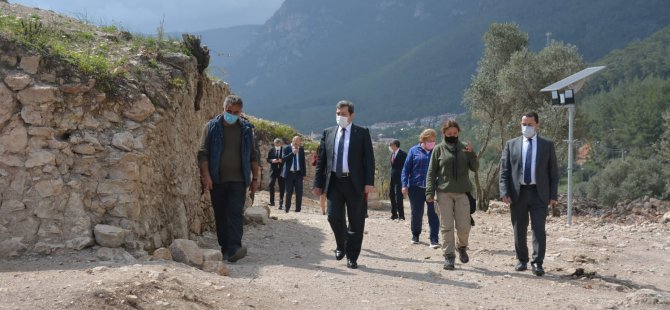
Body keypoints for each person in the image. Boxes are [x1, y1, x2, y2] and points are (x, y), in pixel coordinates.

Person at [313, 100, 375, 269]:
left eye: (344, 114)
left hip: (354, 183)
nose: (340, 117)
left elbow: (369, 160)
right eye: (338, 114)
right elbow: (321, 161)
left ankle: (352, 257)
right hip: (334, 182)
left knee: (356, 221)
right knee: (333, 216)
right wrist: (318, 183)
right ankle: (342, 244)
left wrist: (369, 182)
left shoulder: (362, 133)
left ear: (352, 115)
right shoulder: (328, 133)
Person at [197, 95, 259, 263]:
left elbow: (254, 155)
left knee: (235, 213)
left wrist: (255, 179)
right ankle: (225, 248)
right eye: (228, 111)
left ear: (241, 112)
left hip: (239, 180)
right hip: (217, 180)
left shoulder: (246, 129)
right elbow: (203, 153)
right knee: (221, 215)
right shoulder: (211, 127)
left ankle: (234, 248)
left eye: (236, 112)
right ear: (223, 109)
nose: (231, 114)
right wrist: (207, 176)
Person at [499, 112, 558, 276]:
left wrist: (553, 195)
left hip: (539, 194)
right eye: (524, 124)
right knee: (519, 228)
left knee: (539, 229)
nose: (526, 127)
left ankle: (538, 263)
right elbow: (504, 170)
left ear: (537, 125)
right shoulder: (511, 144)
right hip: (518, 194)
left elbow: (553, 172)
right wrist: (504, 191)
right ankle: (521, 260)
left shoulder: (547, 145)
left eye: (530, 124)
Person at [425, 120, 479, 270]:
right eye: (449, 134)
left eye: (455, 133)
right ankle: (449, 256)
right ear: (444, 134)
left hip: (462, 193)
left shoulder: (465, 148)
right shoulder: (438, 149)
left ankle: (461, 247)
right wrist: (429, 191)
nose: (452, 136)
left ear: (458, 133)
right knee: (446, 226)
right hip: (443, 193)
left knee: (464, 226)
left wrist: (472, 154)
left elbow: (475, 168)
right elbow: (431, 172)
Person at [401, 129, 440, 249]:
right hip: (415, 187)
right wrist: (404, 185)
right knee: (417, 213)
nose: (432, 143)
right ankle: (415, 235)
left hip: (432, 188)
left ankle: (434, 239)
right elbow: (406, 169)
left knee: (433, 213)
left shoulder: (437, 151)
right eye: (429, 140)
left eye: (434, 140)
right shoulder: (413, 151)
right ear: (423, 140)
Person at [282, 135, 306, 213]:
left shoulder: (301, 149)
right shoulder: (287, 148)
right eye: (297, 142)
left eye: (299, 142)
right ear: (293, 141)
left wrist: (304, 174)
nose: (298, 143)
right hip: (289, 174)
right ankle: (287, 209)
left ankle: (298, 209)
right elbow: (283, 159)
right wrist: (293, 153)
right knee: (289, 192)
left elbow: (303, 162)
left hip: (298, 173)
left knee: (299, 192)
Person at [388, 140, 407, 220]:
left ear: (395, 145)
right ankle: (394, 214)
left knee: (398, 197)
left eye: (391, 145)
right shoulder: (393, 154)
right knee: (391, 195)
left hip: (400, 178)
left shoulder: (403, 154)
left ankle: (401, 215)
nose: (390, 146)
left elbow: (406, 167)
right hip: (392, 178)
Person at [267, 138, 285, 209]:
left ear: (281, 144)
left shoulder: (284, 150)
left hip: (281, 171)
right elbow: (268, 159)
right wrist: (272, 160)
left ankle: (281, 203)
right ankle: (272, 202)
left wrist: (281, 160)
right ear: (274, 144)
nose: (277, 145)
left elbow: (286, 158)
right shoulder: (271, 150)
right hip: (273, 171)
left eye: (279, 144)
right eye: (276, 144)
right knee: (271, 184)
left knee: (282, 187)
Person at [312, 143, 327, 215]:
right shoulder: (318, 154)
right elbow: (314, 163)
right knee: (323, 194)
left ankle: (325, 210)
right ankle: (323, 210)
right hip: (322, 176)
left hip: (328, 175)